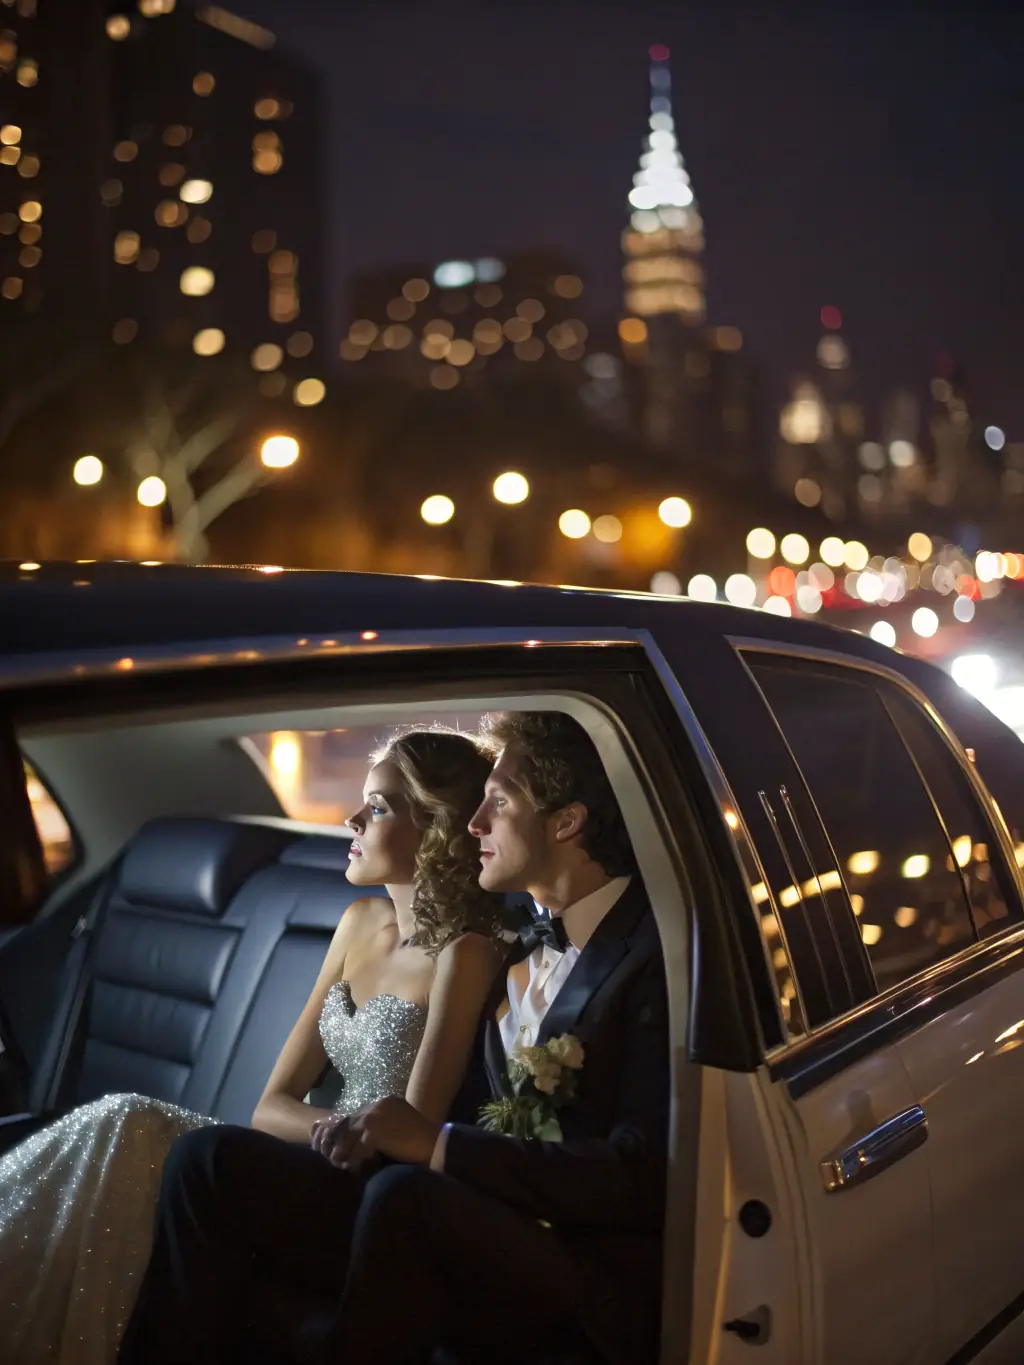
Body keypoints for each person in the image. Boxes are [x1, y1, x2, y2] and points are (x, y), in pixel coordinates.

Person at [120, 710, 670, 1365]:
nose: (475, 824)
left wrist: (438, 1146)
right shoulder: (516, 938)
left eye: (498, 803)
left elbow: (633, 1176)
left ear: (566, 821)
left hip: (572, 1264)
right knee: (205, 1161)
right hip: (465, 1207)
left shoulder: (657, 961)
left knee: (401, 1195)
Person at [0, 726, 508, 1365]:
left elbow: (412, 1129)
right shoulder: (358, 924)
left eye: (377, 808)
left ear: (434, 829)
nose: (352, 818)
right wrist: (339, 1128)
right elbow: (270, 1105)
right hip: (319, 1155)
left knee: (154, 1134)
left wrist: (355, 1135)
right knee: (120, 1123)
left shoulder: (465, 954)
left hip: (371, 1198)